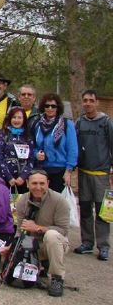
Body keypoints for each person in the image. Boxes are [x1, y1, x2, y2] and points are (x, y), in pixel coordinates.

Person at [11, 170, 71, 297]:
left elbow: (63, 230)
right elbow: (20, 230)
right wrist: (12, 249)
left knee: (52, 235)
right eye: (34, 183)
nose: (38, 187)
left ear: (48, 183)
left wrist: (38, 228)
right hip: (32, 244)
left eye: (42, 183)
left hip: (56, 243)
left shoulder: (60, 201)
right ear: (27, 183)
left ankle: (56, 278)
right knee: (15, 275)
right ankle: (40, 265)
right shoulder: (22, 201)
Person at [73, 90, 112, 261]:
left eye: (91, 100)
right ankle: (87, 242)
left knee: (102, 211)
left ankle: (103, 246)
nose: (88, 103)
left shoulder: (106, 122)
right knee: (86, 209)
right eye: (85, 100)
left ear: (96, 102)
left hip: (102, 173)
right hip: (84, 172)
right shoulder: (80, 122)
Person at [33, 93, 78, 193]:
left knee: (58, 204)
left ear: (58, 108)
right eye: (47, 106)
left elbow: (72, 149)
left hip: (60, 170)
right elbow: (32, 146)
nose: (50, 108)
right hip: (41, 170)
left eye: (53, 106)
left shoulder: (67, 124)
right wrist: (36, 154)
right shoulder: (37, 124)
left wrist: (68, 171)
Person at [0, 107, 35, 193]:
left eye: (19, 117)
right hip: (6, 178)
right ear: (10, 119)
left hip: (24, 179)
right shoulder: (3, 134)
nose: (16, 120)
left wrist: (23, 177)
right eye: (14, 117)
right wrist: (9, 177)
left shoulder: (28, 136)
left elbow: (31, 159)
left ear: (24, 119)